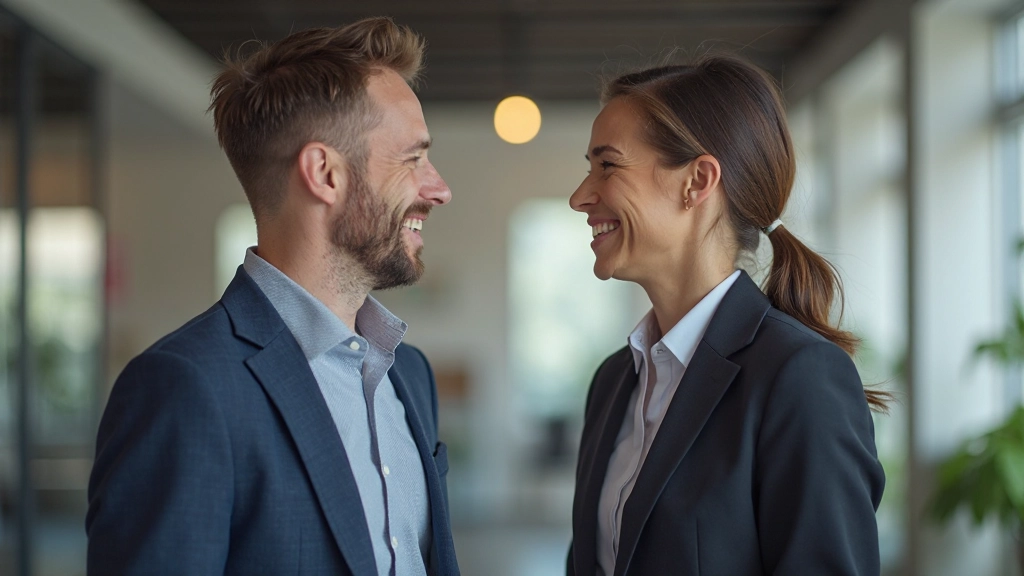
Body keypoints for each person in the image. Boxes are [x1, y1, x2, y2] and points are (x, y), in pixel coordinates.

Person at [86, 18, 459, 576]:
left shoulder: (410, 374)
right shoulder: (185, 387)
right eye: (412, 159)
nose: (439, 188)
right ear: (325, 174)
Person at [567, 55, 887, 576]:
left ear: (697, 181)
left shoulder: (799, 377)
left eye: (607, 165)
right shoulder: (612, 383)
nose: (581, 195)